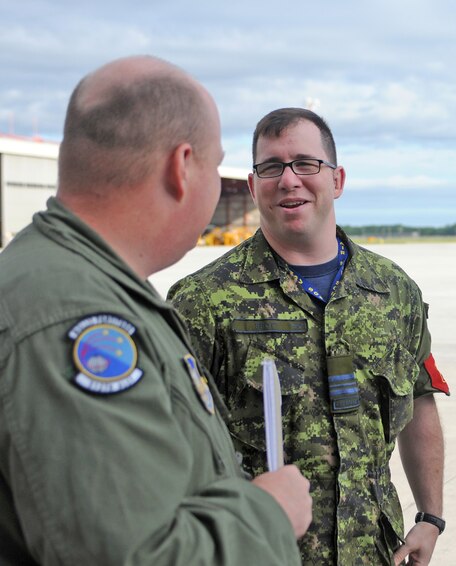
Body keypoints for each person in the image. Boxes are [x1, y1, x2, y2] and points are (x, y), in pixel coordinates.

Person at [0, 56, 313, 565]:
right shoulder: (74, 317)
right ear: (181, 166)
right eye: (214, 166)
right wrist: (269, 513)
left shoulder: (90, 285)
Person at [168, 107, 450, 566]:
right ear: (255, 183)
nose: (288, 179)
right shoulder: (203, 302)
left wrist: (431, 517)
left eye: (305, 163)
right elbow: (166, 442)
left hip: (376, 553)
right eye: (271, 167)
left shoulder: (393, 292)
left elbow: (419, 402)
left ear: (337, 180)